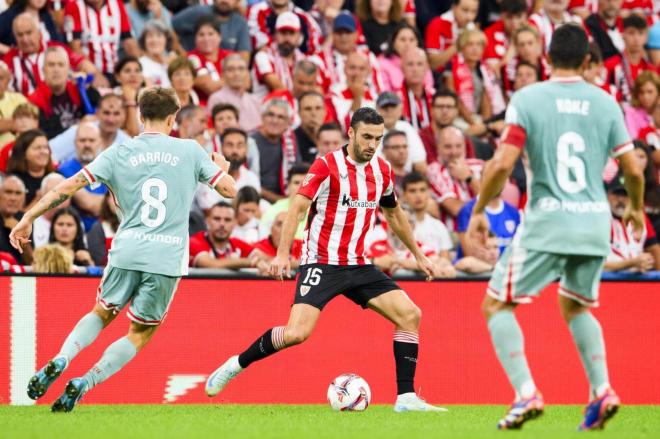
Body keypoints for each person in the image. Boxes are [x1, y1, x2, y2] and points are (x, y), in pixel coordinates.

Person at [9, 86, 237, 412]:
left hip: (127, 248)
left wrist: (28, 217)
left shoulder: (119, 152)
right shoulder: (190, 150)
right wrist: (222, 169)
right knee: (140, 333)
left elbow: (68, 186)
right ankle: (84, 382)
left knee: (101, 313)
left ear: (140, 116)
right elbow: (228, 190)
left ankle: (62, 357)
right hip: (167, 257)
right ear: (173, 118)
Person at [205, 107, 444, 413]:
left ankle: (406, 397)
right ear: (352, 133)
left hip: (358, 263)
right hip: (321, 262)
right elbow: (296, 209)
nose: (372, 144)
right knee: (296, 334)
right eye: (367, 137)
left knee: (410, 315)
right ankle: (235, 364)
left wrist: (418, 254)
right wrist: (282, 255)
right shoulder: (326, 166)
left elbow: (394, 213)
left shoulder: (382, 170)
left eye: (378, 139)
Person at [465, 24, 645, 430]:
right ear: (587, 62)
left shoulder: (529, 98)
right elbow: (633, 169)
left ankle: (525, 393)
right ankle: (602, 390)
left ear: (546, 59)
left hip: (548, 219)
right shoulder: (605, 102)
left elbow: (502, 163)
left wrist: (480, 207)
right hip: (595, 223)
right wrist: (634, 207)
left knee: (495, 304)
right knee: (575, 304)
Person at [3, 12, 102, 95]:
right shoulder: (9, 59)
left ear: (39, 32)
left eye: (29, 33)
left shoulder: (57, 49)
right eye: (20, 35)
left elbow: (87, 67)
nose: (25, 39)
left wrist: (83, 80)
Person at [28, 46, 99, 139]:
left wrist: (89, 90)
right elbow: (45, 135)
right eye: (51, 65)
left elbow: (102, 110)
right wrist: (80, 127)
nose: (56, 70)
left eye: (61, 65)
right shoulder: (35, 100)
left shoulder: (80, 88)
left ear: (68, 69)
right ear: (43, 70)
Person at [63, 0, 140, 78]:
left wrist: (139, 70)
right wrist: (96, 75)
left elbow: (129, 42)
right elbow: (75, 48)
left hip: (114, 70)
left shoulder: (117, 4)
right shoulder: (74, 6)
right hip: (87, 73)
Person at [427, 126, 483, 231]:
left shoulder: (479, 165)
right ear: (438, 148)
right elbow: (455, 209)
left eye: (458, 146)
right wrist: (470, 179)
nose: (454, 152)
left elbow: (495, 201)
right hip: (456, 233)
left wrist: (468, 177)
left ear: (465, 147)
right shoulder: (434, 171)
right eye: (448, 147)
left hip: (482, 229)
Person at [48, 94, 131, 163]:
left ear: (124, 116)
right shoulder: (79, 131)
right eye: (106, 113)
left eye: (116, 114)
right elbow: (48, 153)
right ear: (97, 113)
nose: (111, 119)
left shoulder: (127, 144)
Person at [194, 127, 261, 211]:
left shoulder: (252, 179)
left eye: (240, 146)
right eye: (230, 145)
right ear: (221, 148)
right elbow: (209, 212)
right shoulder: (209, 176)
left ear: (246, 149)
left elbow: (253, 212)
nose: (235, 151)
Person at [58, 123, 107, 231]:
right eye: (82, 140)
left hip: (105, 233)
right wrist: (105, 202)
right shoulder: (64, 170)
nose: (87, 145)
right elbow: (90, 204)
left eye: (91, 140)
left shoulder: (108, 169)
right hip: (76, 233)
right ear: (75, 143)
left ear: (100, 143)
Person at [603, 175, 658, 272]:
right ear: (606, 194)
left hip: (636, 282)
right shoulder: (599, 219)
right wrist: (631, 263)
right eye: (616, 194)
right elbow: (591, 265)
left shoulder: (640, 218)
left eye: (625, 195)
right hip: (606, 282)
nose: (621, 200)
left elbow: (655, 252)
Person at [251, 98, 299, 204]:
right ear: (262, 117)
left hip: (286, 199)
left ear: (288, 122)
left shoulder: (290, 142)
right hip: (257, 200)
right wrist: (280, 200)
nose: (275, 121)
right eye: (270, 115)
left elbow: (299, 173)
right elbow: (247, 180)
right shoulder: (249, 142)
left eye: (281, 117)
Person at [251, 12, 308, 101]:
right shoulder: (263, 56)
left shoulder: (303, 59)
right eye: (283, 33)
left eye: (291, 33)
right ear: (275, 34)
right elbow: (277, 87)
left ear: (299, 36)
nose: (287, 38)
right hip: (265, 109)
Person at [605, 14, 656, 104]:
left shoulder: (651, 70)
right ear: (622, 34)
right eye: (631, 33)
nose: (636, 38)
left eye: (640, 33)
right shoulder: (610, 65)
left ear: (646, 37)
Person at [172, 0, 250, 58]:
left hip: (224, 72)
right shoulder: (199, 12)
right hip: (195, 68)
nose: (224, 1)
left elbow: (244, 56)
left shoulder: (240, 22)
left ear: (237, 2)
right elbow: (169, 26)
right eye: (202, 34)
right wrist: (182, 54)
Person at [400, 172, 453, 258]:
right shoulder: (395, 226)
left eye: (422, 190)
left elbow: (445, 260)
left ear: (429, 192)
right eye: (412, 191)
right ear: (404, 195)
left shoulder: (439, 226)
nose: (418, 195)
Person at [188, 201, 255, 269]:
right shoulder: (194, 242)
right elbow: (212, 265)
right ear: (207, 220)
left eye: (227, 220)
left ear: (235, 223)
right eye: (217, 219)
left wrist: (260, 262)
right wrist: (251, 261)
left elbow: (262, 258)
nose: (222, 224)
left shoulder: (236, 243)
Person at [206, 54, 261, 133]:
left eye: (241, 69)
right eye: (231, 69)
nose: (236, 73)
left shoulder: (255, 100)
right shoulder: (216, 99)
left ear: (247, 73)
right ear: (223, 74)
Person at [376, 91, 427, 174]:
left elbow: (421, 165)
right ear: (377, 110)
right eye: (384, 107)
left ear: (400, 109)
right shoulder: (369, 131)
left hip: (407, 180)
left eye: (393, 107)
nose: (389, 111)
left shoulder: (407, 128)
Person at [246, 0, 321, 55]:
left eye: (291, 33)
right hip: (269, 63)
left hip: (297, 66)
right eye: (283, 33)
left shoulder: (304, 17)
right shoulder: (256, 11)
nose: (287, 36)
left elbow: (315, 49)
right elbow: (261, 46)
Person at [187, 15, 232, 105]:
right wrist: (231, 80)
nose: (206, 39)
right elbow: (210, 87)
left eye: (211, 34)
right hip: (205, 109)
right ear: (195, 38)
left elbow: (246, 83)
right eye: (201, 35)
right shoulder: (191, 58)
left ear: (220, 36)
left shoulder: (230, 55)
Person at [424, 0, 479, 71]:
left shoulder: (472, 28)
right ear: (454, 7)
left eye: (474, 12)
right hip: (439, 77)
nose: (469, 17)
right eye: (465, 10)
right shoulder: (437, 24)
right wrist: (457, 45)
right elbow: (432, 63)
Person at [6, 128, 55, 208]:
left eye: (46, 147)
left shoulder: (56, 177)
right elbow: (14, 217)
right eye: (37, 148)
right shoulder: (13, 181)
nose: (43, 152)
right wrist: (39, 200)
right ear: (23, 153)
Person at [377, 22, 431, 93]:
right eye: (402, 39)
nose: (407, 44)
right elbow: (384, 93)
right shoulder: (381, 64)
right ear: (393, 42)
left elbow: (428, 88)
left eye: (411, 40)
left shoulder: (422, 61)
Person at [259, 163, 309, 239]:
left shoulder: (320, 210)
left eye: (304, 183)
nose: (300, 187)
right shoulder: (275, 209)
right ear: (288, 186)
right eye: (296, 183)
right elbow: (264, 237)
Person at [398, 47, 435, 130]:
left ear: (427, 67)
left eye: (419, 64)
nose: (415, 69)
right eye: (410, 64)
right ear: (402, 67)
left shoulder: (435, 97)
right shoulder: (396, 100)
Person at [0, 175, 32, 264]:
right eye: (8, 192)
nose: (13, 198)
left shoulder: (27, 220)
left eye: (18, 193)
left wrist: (21, 239)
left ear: (24, 197)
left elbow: (32, 262)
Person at [32, 173, 70, 248]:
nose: (58, 198)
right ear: (41, 196)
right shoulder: (31, 223)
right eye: (53, 193)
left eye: (63, 193)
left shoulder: (75, 221)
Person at [138, 19, 177, 88]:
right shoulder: (140, 63)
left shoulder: (171, 62)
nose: (154, 40)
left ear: (166, 40)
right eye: (150, 36)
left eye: (159, 35)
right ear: (144, 41)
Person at [86, 191, 120, 266]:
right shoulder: (99, 228)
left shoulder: (137, 227)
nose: (119, 202)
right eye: (115, 197)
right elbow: (100, 261)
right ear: (107, 200)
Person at [623, 71, 659, 140]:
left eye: (650, 92)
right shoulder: (630, 113)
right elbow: (633, 139)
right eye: (641, 92)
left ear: (658, 92)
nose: (645, 97)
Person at [0, 61, 27, 148]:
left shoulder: (18, 98)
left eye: (1, 78)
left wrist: (5, 124)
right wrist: (19, 122)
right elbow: (25, 122)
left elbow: (31, 122)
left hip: (23, 150)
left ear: (8, 79)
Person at [294, 91, 326, 163]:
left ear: (325, 111)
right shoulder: (292, 139)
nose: (313, 113)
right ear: (299, 112)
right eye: (308, 109)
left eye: (318, 108)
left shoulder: (333, 136)